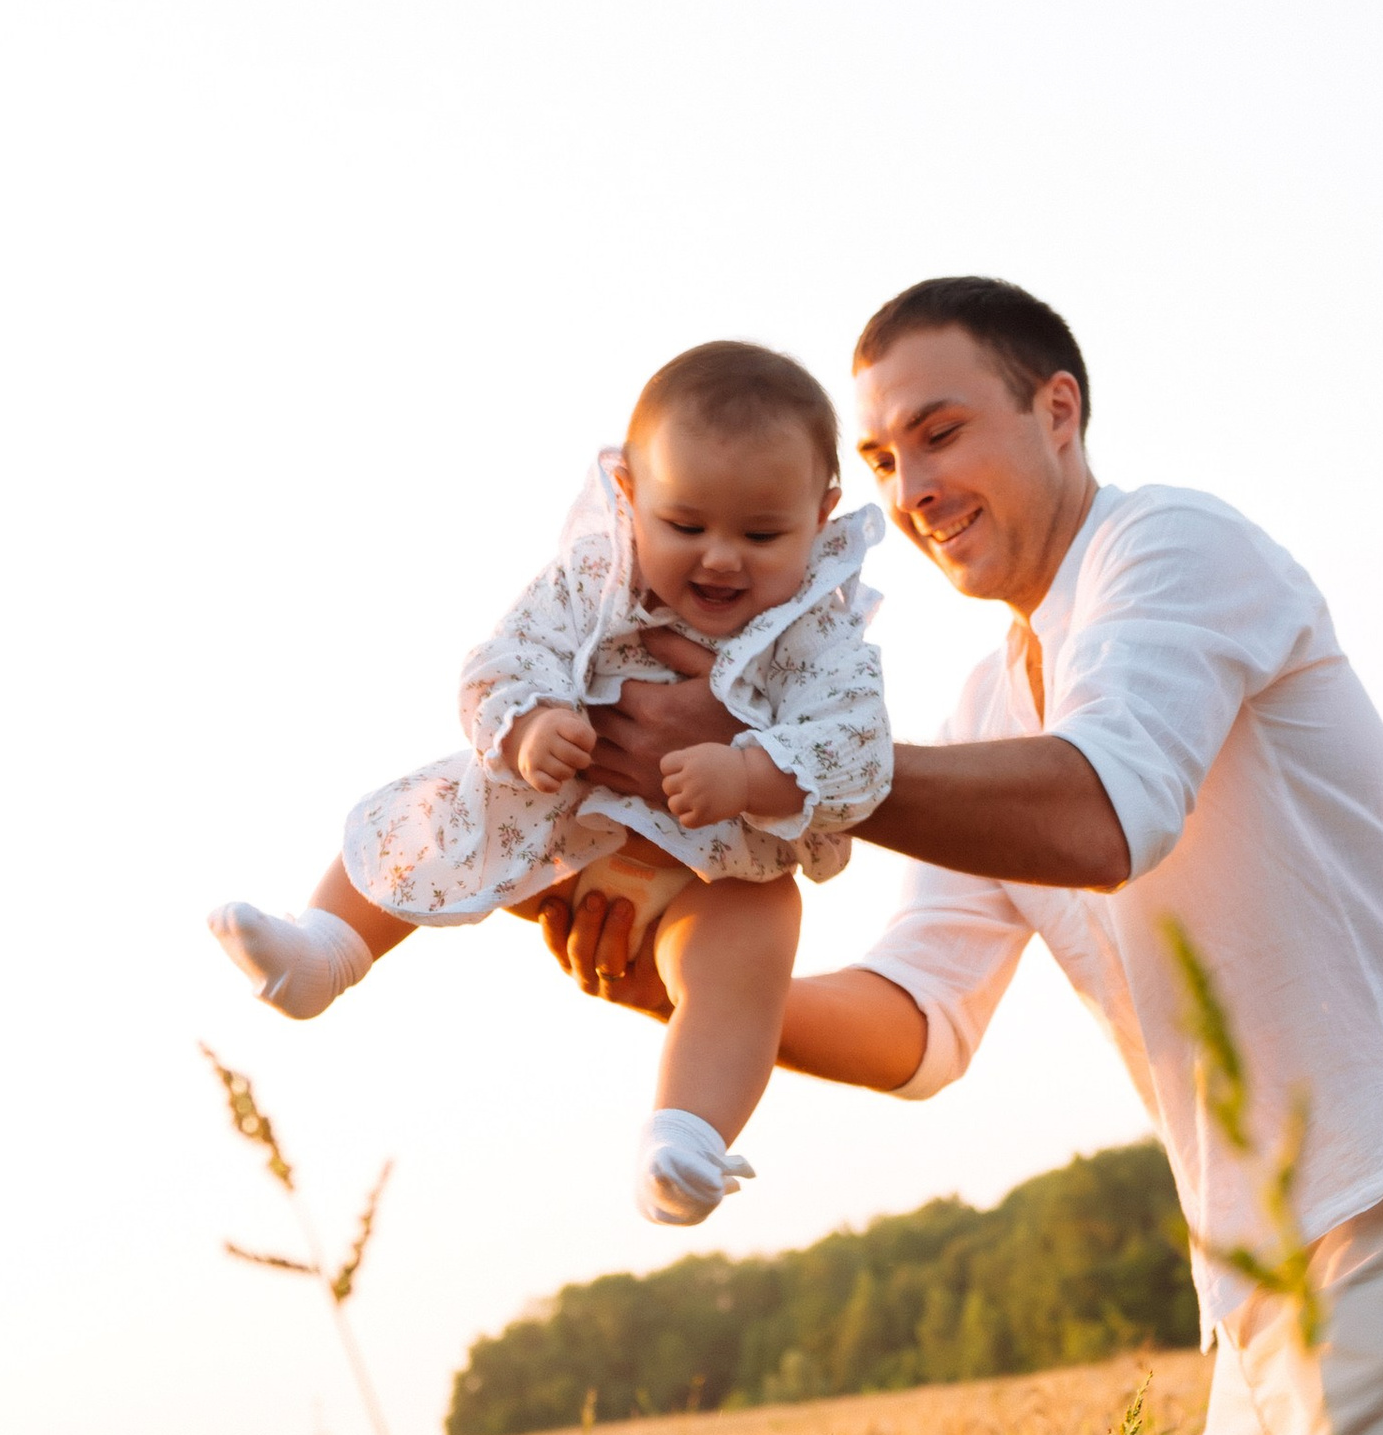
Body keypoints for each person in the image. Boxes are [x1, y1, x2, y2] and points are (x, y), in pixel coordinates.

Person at [544, 275, 1383, 1435]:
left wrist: (786, 770)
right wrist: (688, 986)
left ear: (1059, 410)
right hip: (1258, 1269)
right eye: (884, 460)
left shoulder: (1176, 551)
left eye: (940, 432)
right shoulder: (981, 698)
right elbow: (919, 1023)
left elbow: (1109, 812)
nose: (911, 487)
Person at [207, 340, 891, 1227]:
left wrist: (753, 772)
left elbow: (859, 751)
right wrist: (528, 722)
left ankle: (686, 1136)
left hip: (712, 872)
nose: (721, 559)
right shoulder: (590, 582)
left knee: (754, 946)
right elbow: (500, 661)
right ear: (630, 496)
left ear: (822, 512)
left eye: (762, 535)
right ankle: (325, 950)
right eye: (686, 526)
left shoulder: (820, 635)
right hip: (558, 837)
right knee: (446, 807)